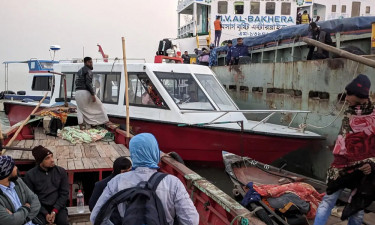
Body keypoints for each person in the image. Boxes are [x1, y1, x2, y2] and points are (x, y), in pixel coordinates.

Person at [90, 133, 199, 225]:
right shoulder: (173, 182)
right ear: (155, 152)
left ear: (133, 154)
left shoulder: (116, 181)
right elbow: (191, 221)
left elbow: (95, 217)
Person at [314, 74, 374, 225]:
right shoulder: (350, 112)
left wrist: (372, 163)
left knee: (357, 210)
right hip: (341, 166)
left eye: (349, 94)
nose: (346, 98)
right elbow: (344, 137)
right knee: (327, 200)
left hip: (363, 168)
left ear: (359, 95)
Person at [24, 146, 69, 225]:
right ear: (40, 161)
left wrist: (55, 211)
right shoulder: (30, 175)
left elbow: (64, 193)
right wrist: (45, 213)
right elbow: (31, 198)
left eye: (52, 156)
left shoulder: (61, 171)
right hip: (39, 208)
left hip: (58, 207)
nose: (52, 160)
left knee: (63, 222)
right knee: (39, 223)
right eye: (47, 158)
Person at [0, 156, 41, 225]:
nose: (16, 168)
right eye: (13, 166)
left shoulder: (18, 181)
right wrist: (26, 207)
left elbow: (36, 202)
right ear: (6, 172)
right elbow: (10, 221)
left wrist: (24, 220)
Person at [75, 57, 109, 130]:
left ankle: (81, 125)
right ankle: (101, 121)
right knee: (99, 106)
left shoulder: (79, 71)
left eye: (91, 62)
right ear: (86, 63)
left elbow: (76, 82)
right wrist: (93, 94)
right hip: (85, 91)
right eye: (90, 62)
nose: (91, 64)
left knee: (81, 109)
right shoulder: (88, 71)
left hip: (77, 92)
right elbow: (88, 83)